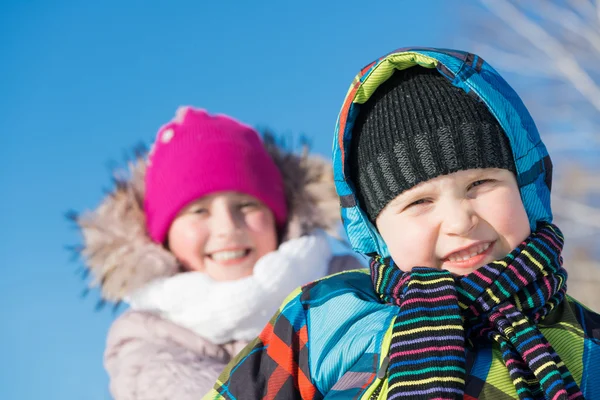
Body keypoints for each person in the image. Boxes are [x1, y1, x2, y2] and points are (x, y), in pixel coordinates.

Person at [204, 48, 600, 399]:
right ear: (376, 229)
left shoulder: (589, 341)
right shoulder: (325, 317)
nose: (459, 220)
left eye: (480, 183)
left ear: (525, 188)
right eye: (420, 202)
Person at [73, 106, 364, 399]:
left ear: (279, 218)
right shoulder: (147, 340)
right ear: (163, 239)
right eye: (199, 211)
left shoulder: (349, 290)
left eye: (246, 205)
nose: (227, 227)